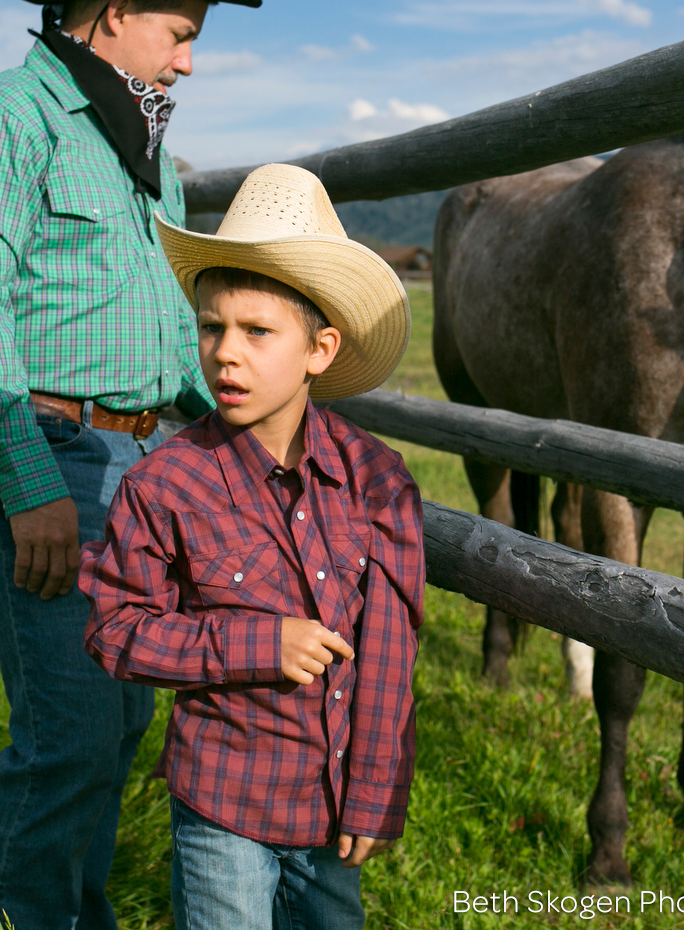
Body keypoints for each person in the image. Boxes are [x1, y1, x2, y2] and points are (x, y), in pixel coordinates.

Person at [0, 0, 261, 930]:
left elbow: (159, 327)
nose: (190, 63)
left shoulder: (141, 151)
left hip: (142, 470)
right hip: (51, 453)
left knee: (115, 724)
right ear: (112, 13)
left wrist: (236, 434)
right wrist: (28, 478)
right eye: (181, 34)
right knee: (67, 730)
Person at [81, 164, 422, 930]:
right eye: (211, 327)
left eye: (257, 331)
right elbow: (114, 628)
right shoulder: (164, 484)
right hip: (223, 801)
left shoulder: (379, 483)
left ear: (320, 349)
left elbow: (391, 648)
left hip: (333, 805)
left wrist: (373, 788)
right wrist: (255, 642)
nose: (226, 353)